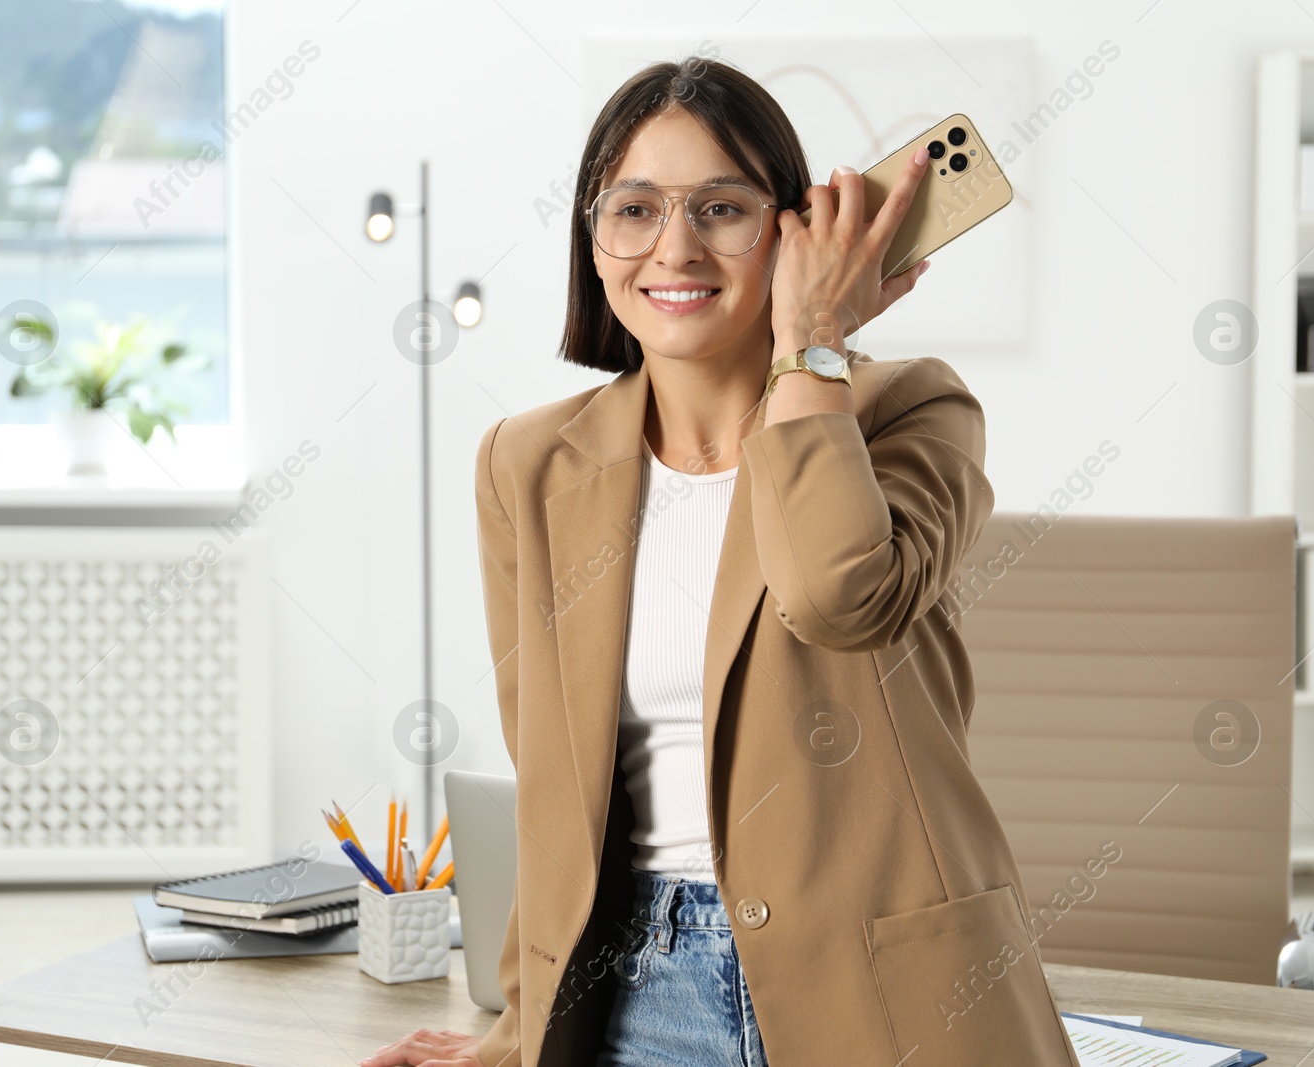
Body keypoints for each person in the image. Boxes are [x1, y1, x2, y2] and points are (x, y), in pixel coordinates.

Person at [363, 54, 1078, 1067]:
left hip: (888, 996)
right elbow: (553, 781)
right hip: (636, 994)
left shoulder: (911, 409)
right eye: (634, 209)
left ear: (793, 232)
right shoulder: (526, 462)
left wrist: (812, 343)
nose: (675, 247)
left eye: (722, 208)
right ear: (593, 239)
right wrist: (518, 1027)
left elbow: (837, 594)